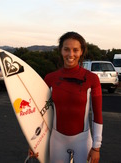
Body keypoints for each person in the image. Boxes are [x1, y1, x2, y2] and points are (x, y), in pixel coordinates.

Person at [44, 31, 103, 163]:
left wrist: (96, 147)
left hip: (82, 141)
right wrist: (35, 142)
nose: (71, 54)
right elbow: (41, 112)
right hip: (56, 140)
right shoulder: (50, 79)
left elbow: (97, 115)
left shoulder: (92, 79)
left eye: (75, 50)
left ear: (81, 51)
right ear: (61, 51)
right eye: (66, 49)